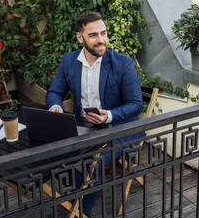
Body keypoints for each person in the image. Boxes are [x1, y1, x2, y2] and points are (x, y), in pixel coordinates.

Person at [46, 11, 145, 215]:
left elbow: (136, 104)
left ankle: (81, 211)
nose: (101, 40)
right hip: (84, 126)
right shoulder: (69, 61)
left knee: (94, 162)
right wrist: (55, 106)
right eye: (93, 35)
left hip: (119, 127)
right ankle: (77, 190)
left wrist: (108, 115)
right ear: (80, 37)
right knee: (54, 153)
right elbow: (55, 91)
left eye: (103, 33)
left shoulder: (123, 63)